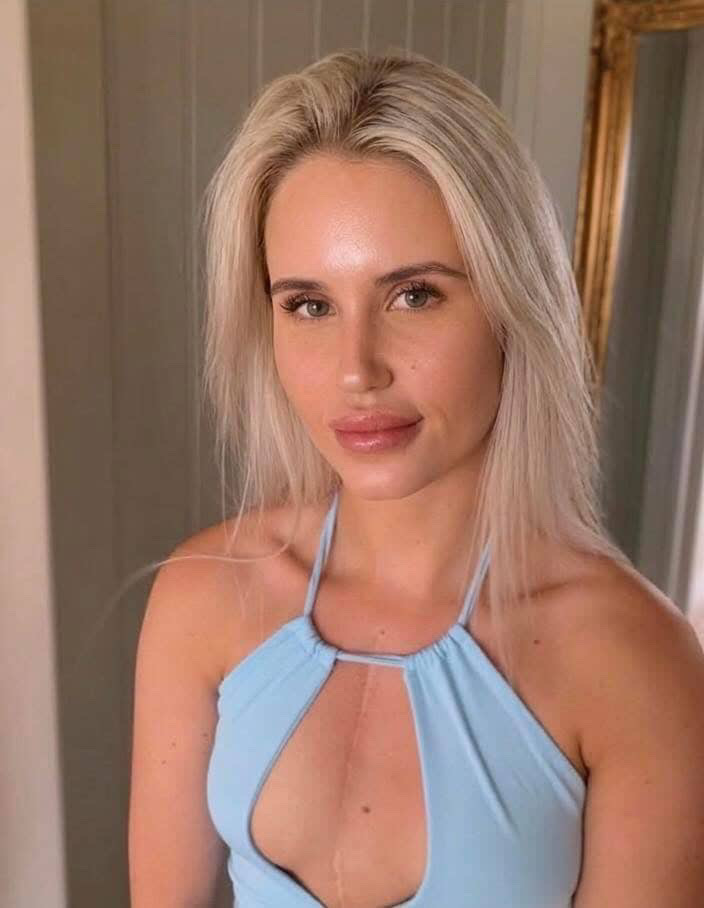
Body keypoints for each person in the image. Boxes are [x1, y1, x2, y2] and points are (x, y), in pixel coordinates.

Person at [127, 48, 704, 907]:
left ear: (513, 306)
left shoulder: (630, 660)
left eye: (415, 296)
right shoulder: (205, 595)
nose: (356, 370)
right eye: (310, 305)